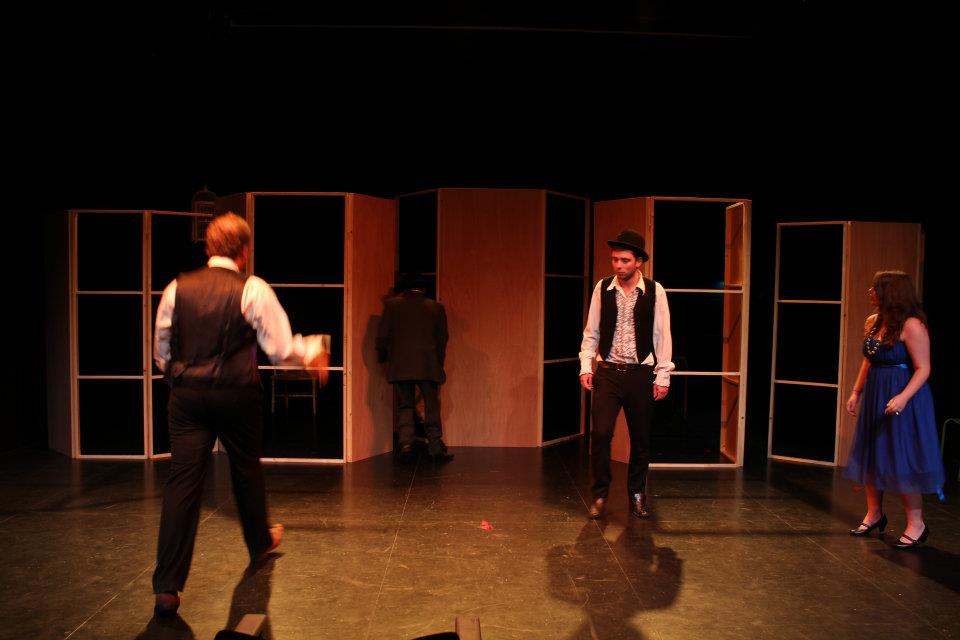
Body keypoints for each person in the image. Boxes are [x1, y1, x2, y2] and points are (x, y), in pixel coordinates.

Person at [151, 212, 328, 615]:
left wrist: (179, 376)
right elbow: (280, 350)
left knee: (182, 483)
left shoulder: (177, 288)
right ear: (244, 251)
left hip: (188, 396)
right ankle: (259, 542)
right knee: (246, 469)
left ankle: (167, 587)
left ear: (208, 247)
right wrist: (312, 351)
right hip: (235, 393)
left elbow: (162, 347)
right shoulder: (253, 288)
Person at [844, 270, 944, 549]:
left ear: (892, 293)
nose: (870, 292)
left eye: (876, 287)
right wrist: (856, 392)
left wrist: (902, 397)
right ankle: (874, 513)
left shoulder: (912, 325)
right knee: (872, 453)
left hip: (904, 396)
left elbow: (923, 368)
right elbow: (868, 360)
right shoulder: (874, 321)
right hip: (876, 393)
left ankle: (916, 524)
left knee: (902, 457)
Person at [579, 229, 673, 519]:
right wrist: (586, 366)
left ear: (639, 262)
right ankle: (600, 495)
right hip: (608, 372)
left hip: (640, 374)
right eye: (615, 260)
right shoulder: (603, 288)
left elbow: (662, 335)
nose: (618, 266)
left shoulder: (654, 291)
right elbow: (592, 331)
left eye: (625, 260)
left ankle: (636, 495)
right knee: (601, 433)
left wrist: (663, 375)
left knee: (640, 438)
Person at [376, 273, 453, 464]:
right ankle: (435, 447)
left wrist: (383, 358)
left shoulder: (392, 306)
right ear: (424, 289)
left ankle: (406, 446)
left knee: (405, 405)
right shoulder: (436, 308)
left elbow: (382, 337)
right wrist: (438, 362)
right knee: (431, 405)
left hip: (401, 364)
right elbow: (442, 339)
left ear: (404, 289)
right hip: (428, 363)